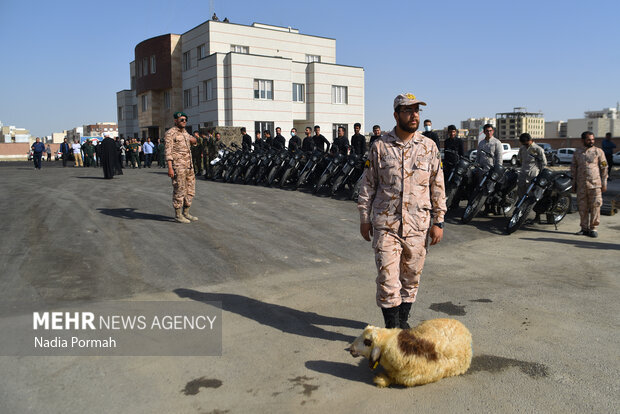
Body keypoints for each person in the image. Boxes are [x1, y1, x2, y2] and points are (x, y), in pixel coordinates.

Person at [357, 93, 446, 329]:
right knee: (388, 280)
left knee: (411, 278)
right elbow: (368, 184)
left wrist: (439, 222)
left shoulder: (429, 147)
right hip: (387, 225)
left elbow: (437, 185)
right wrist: (364, 218)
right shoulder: (380, 147)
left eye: (416, 110)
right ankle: (392, 329)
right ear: (396, 115)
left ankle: (402, 323)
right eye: (408, 110)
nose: (414, 115)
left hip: (418, 226)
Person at [571, 131, 608, 238]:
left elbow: (604, 167)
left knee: (596, 206)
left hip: (595, 184)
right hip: (581, 185)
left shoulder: (598, 152)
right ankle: (584, 228)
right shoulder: (577, 153)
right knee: (582, 207)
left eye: (592, 139)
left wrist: (604, 182)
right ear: (583, 140)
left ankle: (593, 228)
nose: (591, 141)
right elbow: (573, 168)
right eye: (589, 139)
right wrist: (573, 183)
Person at [165, 112, 198, 223]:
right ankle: (178, 215)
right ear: (176, 121)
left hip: (189, 166)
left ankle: (186, 212)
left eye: (185, 120)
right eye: (181, 119)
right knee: (179, 189)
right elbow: (168, 151)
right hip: (178, 167)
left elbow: (193, 141)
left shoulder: (185, 132)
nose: (184, 121)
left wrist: (194, 140)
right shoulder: (170, 133)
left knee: (190, 189)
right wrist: (170, 167)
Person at [516, 133, 546, 198]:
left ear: (531, 140)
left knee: (531, 194)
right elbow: (520, 159)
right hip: (523, 174)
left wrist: (540, 174)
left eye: (526, 144)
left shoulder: (538, 149)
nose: (525, 146)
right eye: (523, 144)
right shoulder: (522, 148)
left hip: (533, 175)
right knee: (520, 193)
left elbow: (543, 163)